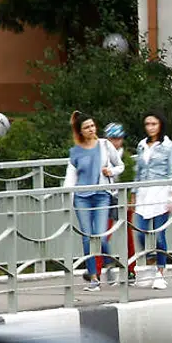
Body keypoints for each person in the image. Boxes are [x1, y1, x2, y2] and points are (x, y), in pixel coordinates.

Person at [63, 111, 123, 289]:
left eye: (92, 125)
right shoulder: (75, 152)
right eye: (86, 127)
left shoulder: (105, 145)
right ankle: (94, 279)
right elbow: (70, 178)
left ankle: (109, 263)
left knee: (101, 237)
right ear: (80, 131)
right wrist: (67, 197)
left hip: (102, 196)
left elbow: (120, 165)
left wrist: (111, 172)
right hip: (82, 198)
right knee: (87, 238)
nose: (91, 129)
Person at [133, 111, 172, 291]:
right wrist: (134, 193)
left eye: (154, 124)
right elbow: (138, 171)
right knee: (140, 232)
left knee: (159, 234)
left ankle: (160, 272)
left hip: (160, 191)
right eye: (147, 124)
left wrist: (170, 195)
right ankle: (150, 258)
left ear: (160, 125)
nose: (150, 127)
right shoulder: (142, 145)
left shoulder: (169, 146)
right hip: (144, 192)